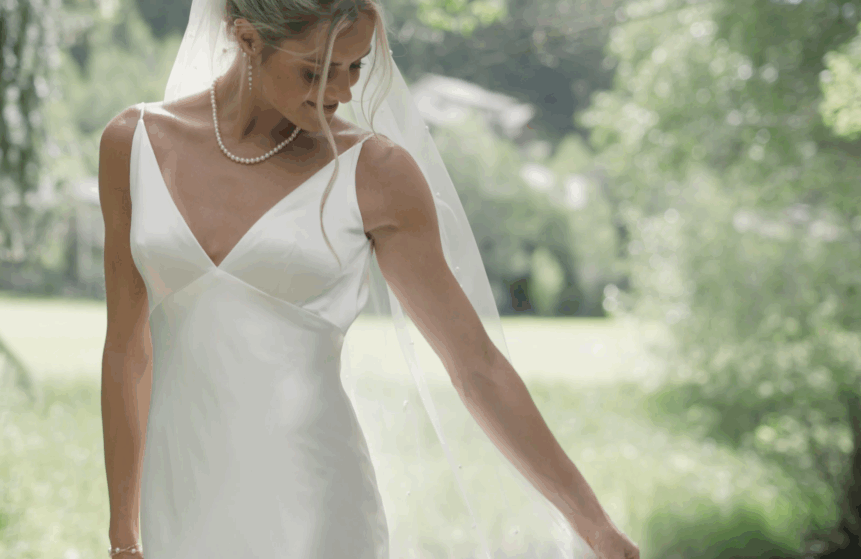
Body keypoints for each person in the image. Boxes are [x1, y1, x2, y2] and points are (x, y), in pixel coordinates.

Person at [98, 0, 641, 557]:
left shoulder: (377, 174)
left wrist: (592, 522)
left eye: (354, 67)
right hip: (180, 502)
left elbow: (475, 366)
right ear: (246, 38)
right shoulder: (133, 144)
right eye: (316, 70)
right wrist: (123, 535)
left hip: (316, 503)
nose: (341, 93)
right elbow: (127, 348)